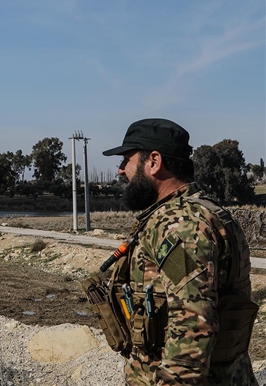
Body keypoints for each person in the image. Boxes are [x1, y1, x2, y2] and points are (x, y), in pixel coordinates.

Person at [94, 118, 257, 385]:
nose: (121, 170)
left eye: (126, 160)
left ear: (154, 162)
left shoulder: (178, 225)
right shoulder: (206, 212)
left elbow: (194, 321)